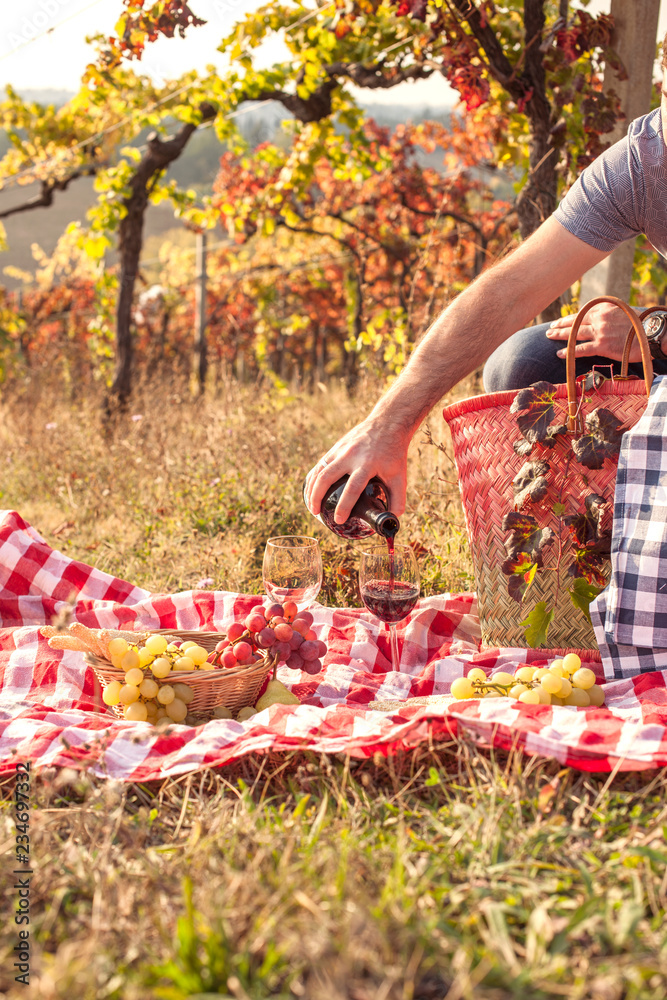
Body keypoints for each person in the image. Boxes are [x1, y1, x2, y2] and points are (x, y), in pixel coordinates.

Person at [304, 37, 667, 529]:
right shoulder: (646, 162)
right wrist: (387, 425)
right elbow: (508, 292)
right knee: (527, 364)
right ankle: (598, 555)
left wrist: (655, 331)